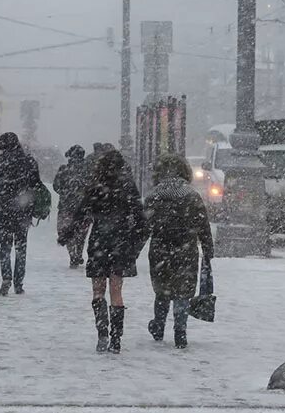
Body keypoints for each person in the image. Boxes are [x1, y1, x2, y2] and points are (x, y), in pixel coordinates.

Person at [65, 149, 148, 353]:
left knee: (98, 290)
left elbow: (81, 214)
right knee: (117, 292)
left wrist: (66, 235)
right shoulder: (128, 187)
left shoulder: (95, 188)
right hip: (120, 243)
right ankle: (116, 338)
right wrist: (134, 245)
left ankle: (102, 332)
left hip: (99, 242)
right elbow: (141, 222)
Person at [143, 154, 213, 349]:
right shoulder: (191, 196)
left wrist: (132, 252)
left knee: (162, 290)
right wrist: (207, 249)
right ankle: (180, 331)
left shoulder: (153, 196)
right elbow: (203, 225)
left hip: (160, 249)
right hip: (186, 249)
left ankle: (158, 325)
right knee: (183, 291)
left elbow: (143, 228)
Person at [0, 132, 43, 295]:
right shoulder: (29, 161)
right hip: (23, 209)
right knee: (21, 247)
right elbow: (36, 184)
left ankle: (6, 278)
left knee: (5, 247)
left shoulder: (1, 162)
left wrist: (0, 199)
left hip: (5, 210)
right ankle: (19, 282)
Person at [53, 144, 92, 265]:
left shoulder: (64, 169)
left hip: (66, 206)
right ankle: (79, 253)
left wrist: (66, 193)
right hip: (84, 207)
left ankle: (72, 254)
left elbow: (56, 186)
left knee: (66, 231)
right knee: (81, 232)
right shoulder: (89, 170)